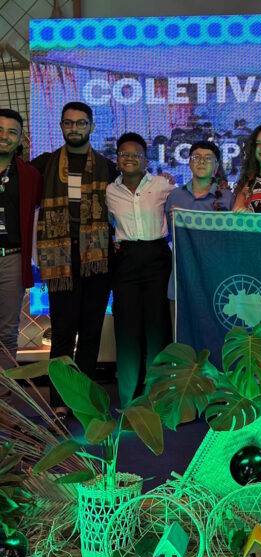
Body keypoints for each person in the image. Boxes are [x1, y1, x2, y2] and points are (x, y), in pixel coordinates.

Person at [31, 102, 117, 409]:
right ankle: (59, 400)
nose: (75, 128)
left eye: (81, 123)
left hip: (97, 255)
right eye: (69, 123)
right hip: (60, 256)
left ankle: (85, 400)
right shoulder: (44, 164)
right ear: (61, 126)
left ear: (91, 126)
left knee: (91, 331)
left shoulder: (108, 167)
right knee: (63, 332)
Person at [106, 132, 173, 407]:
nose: (130, 158)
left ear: (146, 160)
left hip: (157, 257)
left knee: (158, 328)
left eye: (136, 154)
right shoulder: (109, 191)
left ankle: (156, 396)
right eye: (124, 154)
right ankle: (128, 399)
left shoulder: (163, 185)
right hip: (126, 260)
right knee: (127, 329)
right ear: (117, 159)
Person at [165, 140, 232, 320]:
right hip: (181, 283)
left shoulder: (228, 198)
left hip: (216, 283)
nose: (201, 161)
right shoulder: (174, 196)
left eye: (208, 158)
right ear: (189, 162)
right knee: (180, 335)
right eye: (196, 157)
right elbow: (167, 235)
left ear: (216, 166)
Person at [0, 109, 42, 371]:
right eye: (0, 130)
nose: (4, 136)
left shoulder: (30, 176)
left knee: (7, 332)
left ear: (20, 139)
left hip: (13, 259)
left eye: (11, 132)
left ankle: (5, 392)